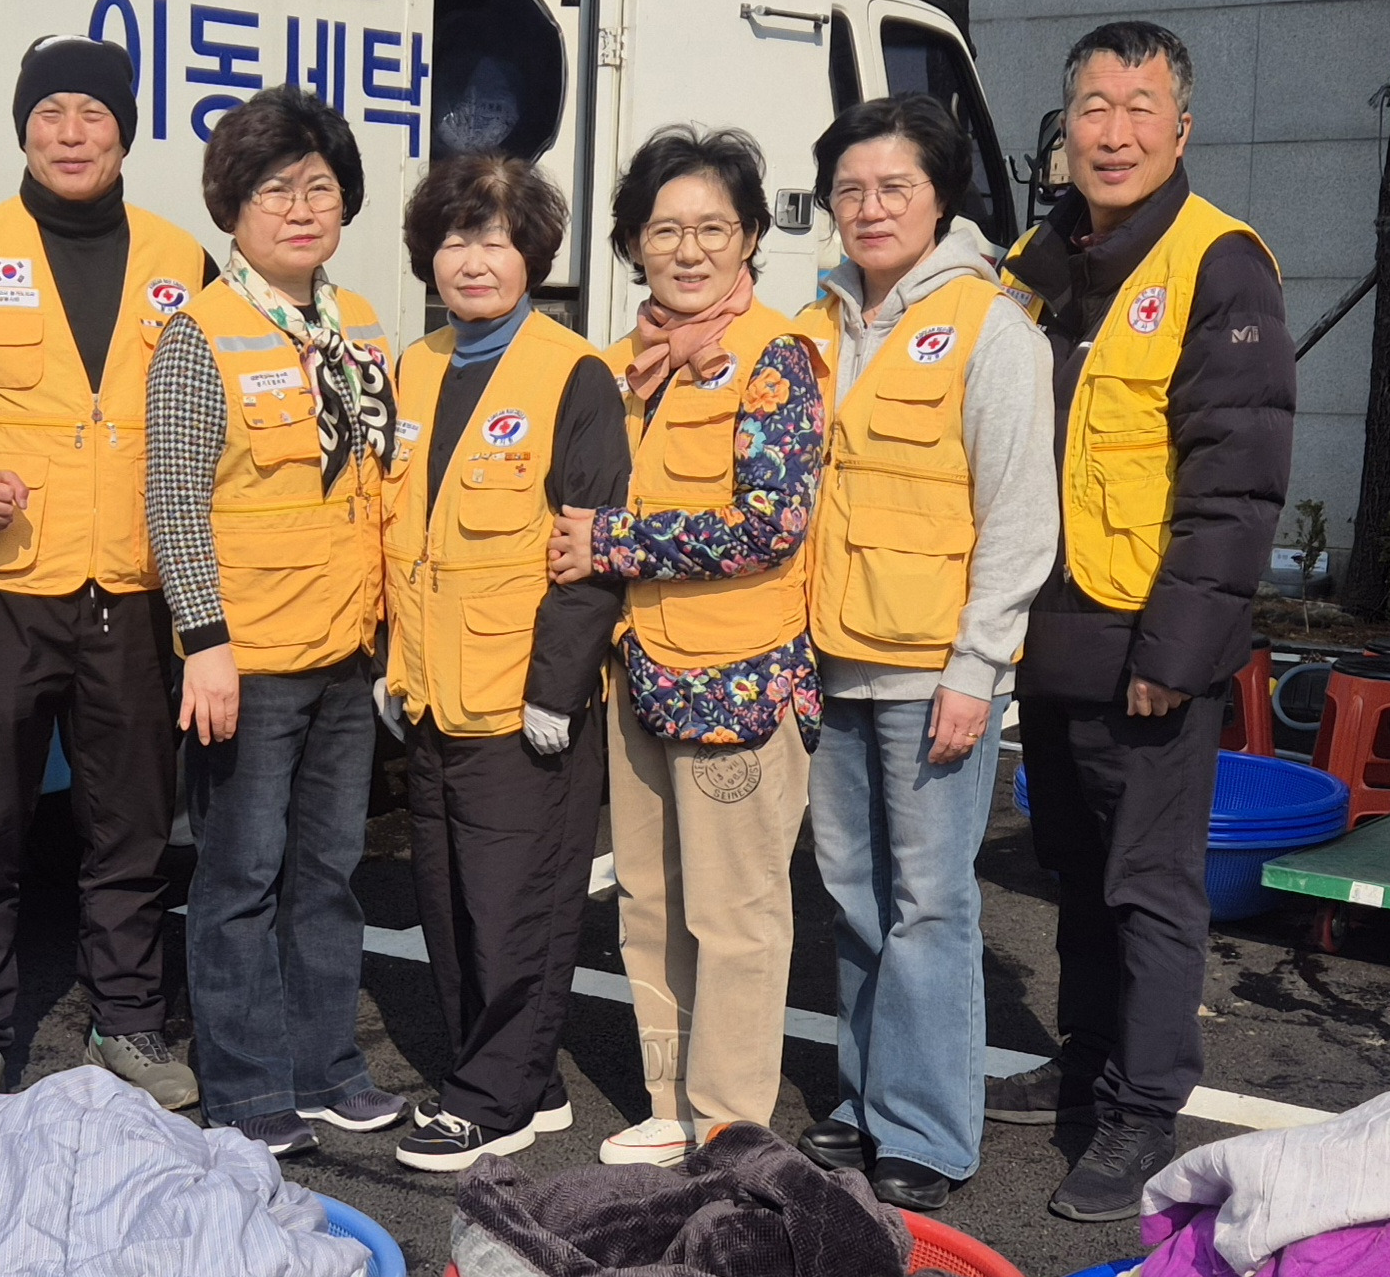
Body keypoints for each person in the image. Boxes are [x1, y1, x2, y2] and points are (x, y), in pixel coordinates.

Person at [991, 21, 1294, 1220]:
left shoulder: (1219, 264)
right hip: (1045, 628)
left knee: (1149, 885)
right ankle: (1082, 1060)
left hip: (1144, 643)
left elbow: (1235, 485)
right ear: (1061, 128)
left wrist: (1174, 653)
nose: (1111, 133)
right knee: (1070, 870)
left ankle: (1141, 1104)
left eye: (1138, 108)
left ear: (1180, 129)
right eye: (1091, 108)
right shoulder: (1037, 261)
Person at [0, 35, 208, 1105]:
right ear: (23, 129)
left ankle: (129, 1019)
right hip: (4, 590)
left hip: (133, 590)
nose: (71, 134)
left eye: (93, 114)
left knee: (130, 831)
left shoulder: (181, 258)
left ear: (126, 131)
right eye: (49, 114)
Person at [792, 95, 1057, 1213]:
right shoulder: (815, 326)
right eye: (849, 189)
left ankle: (926, 1130)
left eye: (893, 187)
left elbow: (1020, 516)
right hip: (827, 659)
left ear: (939, 197)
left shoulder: (992, 328)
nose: (869, 208)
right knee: (852, 896)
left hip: (930, 673)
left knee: (930, 905)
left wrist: (976, 669)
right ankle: (865, 1101)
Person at [546, 126, 827, 1169]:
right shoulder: (630, 366)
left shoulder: (775, 359)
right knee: (650, 901)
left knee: (736, 916)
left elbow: (770, 523)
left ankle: (729, 1123)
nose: (688, 248)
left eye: (713, 226)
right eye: (664, 229)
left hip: (738, 678)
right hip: (640, 670)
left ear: (750, 236)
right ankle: (668, 1100)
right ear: (632, 243)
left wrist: (611, 542)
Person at [147, 85, 408, 1157]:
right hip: (247, 662)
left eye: (319, 188)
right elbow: (172, 500)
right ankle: (247, 1085)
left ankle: (325, 1065)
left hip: (346, 652)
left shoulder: (361, 326)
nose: (301, 209)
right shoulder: (199, 335)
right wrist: (204, 643)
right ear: (231, 207)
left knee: (329, 874)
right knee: (239, 877)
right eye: (274, 190)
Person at [379, 155, 631, 1172]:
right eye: (454, 239)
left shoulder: (573, 374)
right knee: (448, 904)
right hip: (430, 693)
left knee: (514, 907)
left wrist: (555, 687)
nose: (472, 260)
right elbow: (399, 532)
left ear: (532, 253)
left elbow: (592, 545)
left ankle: (494, 1101)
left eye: (494, 239)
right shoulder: (417, 366)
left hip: (522, 696)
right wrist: (390, 662)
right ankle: (517, 1073)